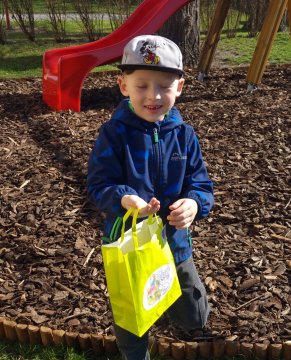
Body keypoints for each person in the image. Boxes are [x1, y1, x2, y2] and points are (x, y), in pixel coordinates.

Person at [87, 34, 214, 360]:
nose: (153, 96)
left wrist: (194, 203)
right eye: (141, 85)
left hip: (176, 242)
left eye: (164, 86)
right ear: (123, 86)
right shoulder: (114, 135)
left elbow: (201, 185)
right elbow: (100, 186)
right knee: (132, 309)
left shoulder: (184, 136)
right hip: (130, 243)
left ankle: (188, 322)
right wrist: (124, 198)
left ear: (180, 87)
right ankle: (134, 352)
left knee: (192, 308)